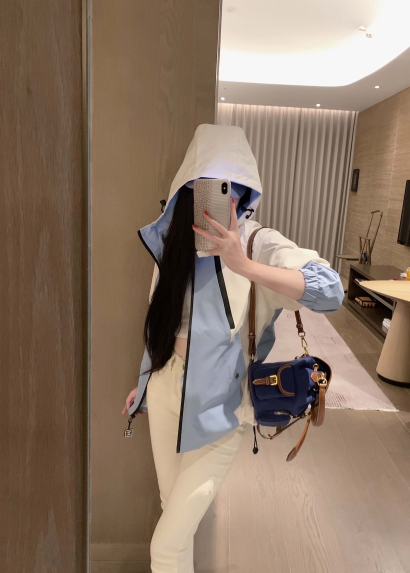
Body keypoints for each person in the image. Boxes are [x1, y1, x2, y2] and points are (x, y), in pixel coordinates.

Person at [122, 124, 344, 572]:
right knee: (174, 520)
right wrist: (144, 382)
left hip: (221, 407)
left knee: (164, 546)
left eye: (233, 188)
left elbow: (330, 291)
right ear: (188, 190)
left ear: (246, 193)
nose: (225, 200)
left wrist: (241, 263)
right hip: (164, 391)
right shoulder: (173, 244)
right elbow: (161, 322)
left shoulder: (258, 243)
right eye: (207, 187)